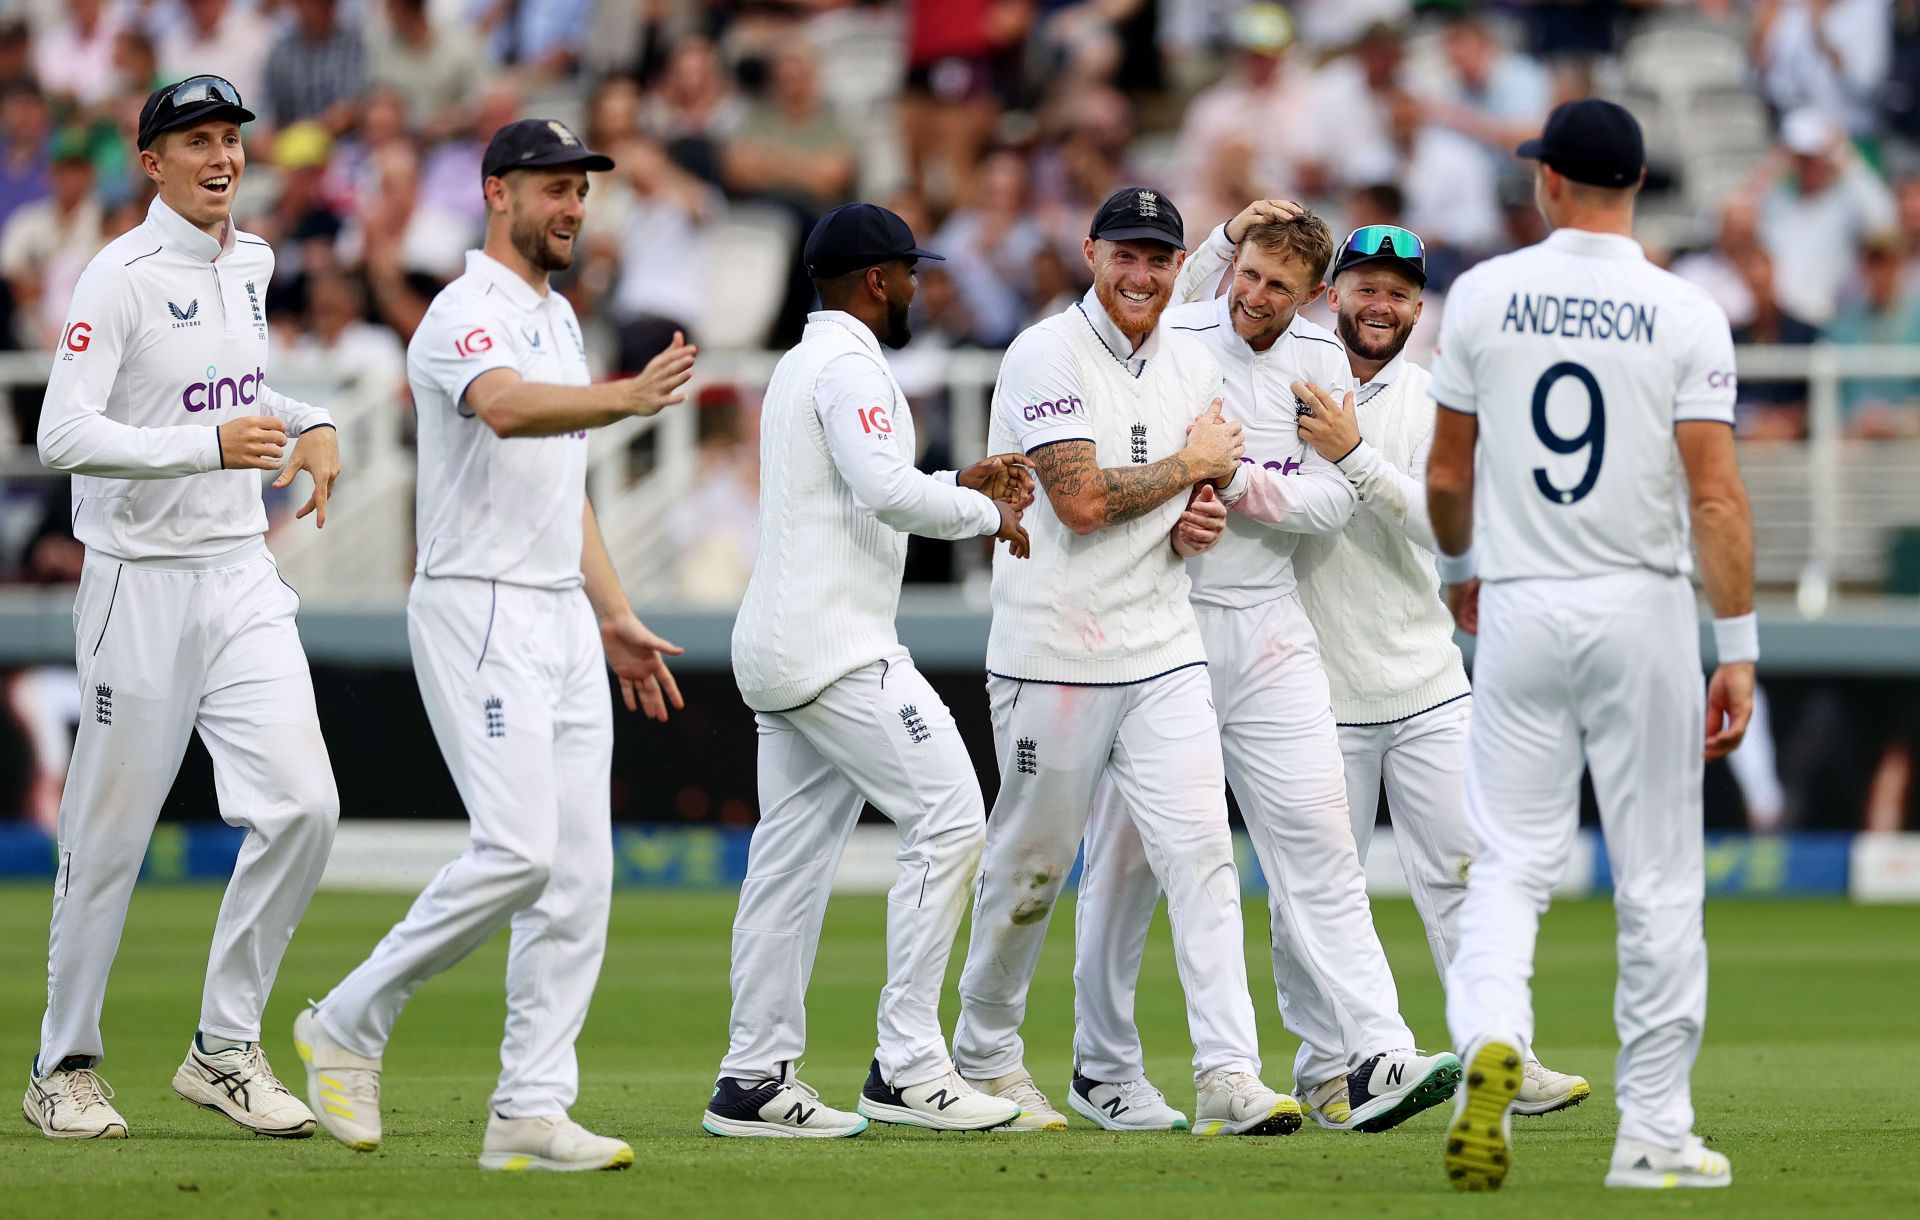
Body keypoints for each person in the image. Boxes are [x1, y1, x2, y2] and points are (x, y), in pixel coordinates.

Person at [293, 119, 693, 1173]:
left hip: (559, 610)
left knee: (581, 875)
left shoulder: (558, 318)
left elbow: (566, 485)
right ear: (495, 193)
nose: (570, 206)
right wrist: (628, 397)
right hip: (476, 604)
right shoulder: (462, 313)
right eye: (551, 187)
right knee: (519, 849)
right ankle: (345, 1018)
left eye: (580, 189)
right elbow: (506, 412)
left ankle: (529, 1107)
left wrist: (611, 611)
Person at [1070, 200, 1458, 1137]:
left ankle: (1376, 1054)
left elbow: (1330, 507)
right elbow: (1133, 326)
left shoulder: (1324, 367)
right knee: (1131, 865)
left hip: (1273, 627)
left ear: (1313, 298)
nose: (1253, 297)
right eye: (1245, 275)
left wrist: (1233, 482)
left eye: (1278, 287)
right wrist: (1190, 485)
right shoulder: (1184, 327)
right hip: (1170, 621)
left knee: (1323, 847)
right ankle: (1103, 1066)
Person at [1427, 99, 1753, 1191]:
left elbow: (1443, 476)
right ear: (1640, 182)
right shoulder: (1687, 310)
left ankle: (1488, 1040)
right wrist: (1739, 641)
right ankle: (1653, 1129)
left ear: (1550, 182)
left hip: (1520, 597)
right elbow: (1714, 499)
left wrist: (1462, 576)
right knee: (1658, 876)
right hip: (1642, 604)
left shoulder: (1482, 293)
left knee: (1509, 861)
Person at [25, 75, 342, 1141]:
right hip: (137, 582)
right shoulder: (113, 277)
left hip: (238, 574)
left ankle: (224, 1047)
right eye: (197, 140)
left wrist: (313, 419)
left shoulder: (249, 262)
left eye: (232, 139)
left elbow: (228, 390)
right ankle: (61, 1064)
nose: (223, 157)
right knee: (108, 839)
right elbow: (62, 434)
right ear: (150, 161)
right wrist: (205, 450)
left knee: (304, 806)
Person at [952, 185, 1301, 1139]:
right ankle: (982, 1050)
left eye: (1160, 258)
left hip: (1162, 649)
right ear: (1091, 253)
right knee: (1030, 869)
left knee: (1201, 857)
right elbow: (1080, 504)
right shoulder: (1043, 353)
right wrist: (1191, 470)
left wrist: (1201, 518)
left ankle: (1229, 1074)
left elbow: (1176, 520)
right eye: (1126, 256)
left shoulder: (1189, 361)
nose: (1142, 276)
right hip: (1052, 652)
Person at [702, 203, 1033, 1139]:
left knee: (788, 866)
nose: (918, 290)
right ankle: (909, 1066)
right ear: (879, 280)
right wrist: (987, 517)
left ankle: (753, 1078)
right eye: (910, 276)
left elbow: (861, 488)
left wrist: (961, 486)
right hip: (834, 648)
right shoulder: (852, 366)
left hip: (781, 645)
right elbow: (887, 493)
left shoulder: (804, 363)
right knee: (954, 815)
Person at [1289, 221, 1590, 1117]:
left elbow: (1447, 525)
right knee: (1315, 895)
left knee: (1467, 872)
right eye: (1365, 287)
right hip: (1310, 689)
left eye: (1398, 292)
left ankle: (1501, 1054)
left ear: (1421, 307)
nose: (1380, 305)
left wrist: (1351, 454)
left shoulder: (1438, 400)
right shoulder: (1283, 381)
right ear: (1330, 293)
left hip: (1424, 678)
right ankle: (1326, 1073)